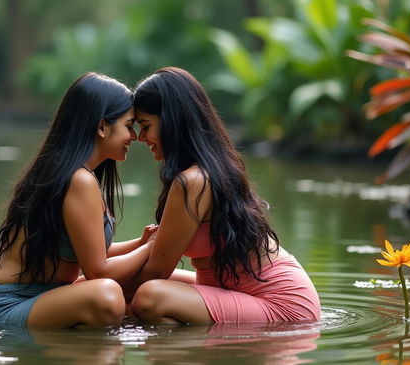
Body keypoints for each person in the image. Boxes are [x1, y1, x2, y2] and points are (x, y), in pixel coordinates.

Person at [0, 72, 156, 328]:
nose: (134, 136)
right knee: (106, 296)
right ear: (102, 126)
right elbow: (99, 271)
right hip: (0, 302)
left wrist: (141, 243)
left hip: (38, 296)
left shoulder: (77, 174)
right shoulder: (78, 179)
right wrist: (152, 247)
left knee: (144, 289)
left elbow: (88, 253)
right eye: (129, 125)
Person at [128, 67, 321, 323]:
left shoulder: (194, 181)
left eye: (146, 126)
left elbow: (155, 272)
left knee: (149, 297)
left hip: (283, 304)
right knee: (135, 295)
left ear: (172, 121)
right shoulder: (204, 170)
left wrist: (91, 290)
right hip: (235, 291)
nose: (140, 137)